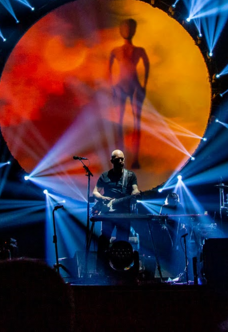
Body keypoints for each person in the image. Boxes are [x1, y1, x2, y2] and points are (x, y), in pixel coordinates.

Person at [109, 18, 149, 169]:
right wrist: (112, 86)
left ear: (134, 30)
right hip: (120, 86)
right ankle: (119, 160)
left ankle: (135, 159)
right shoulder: (116, 51)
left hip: (135, 87)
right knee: (118, 123)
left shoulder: (139, 50)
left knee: (136, 123)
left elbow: (146, 65)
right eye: (125, 27)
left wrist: (144, 85)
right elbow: (109, 69)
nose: (127, 30)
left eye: (130, 27)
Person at [92, 149, 140, 273]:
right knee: (104, 240)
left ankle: (121, 269)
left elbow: (135, 189)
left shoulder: (130, 176)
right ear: (112, 160)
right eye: (118, 159)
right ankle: (101, 269)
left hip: (124, 214)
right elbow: (95, 192)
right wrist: (103, 198)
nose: (121, 161)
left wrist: (135, 193)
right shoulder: (105, 176)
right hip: (108, 214)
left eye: (122, 159)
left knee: (123, 241)